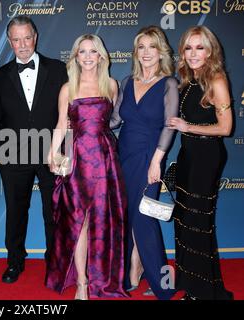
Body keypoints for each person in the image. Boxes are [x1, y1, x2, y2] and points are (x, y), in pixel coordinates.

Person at [45, 34, 128, 299]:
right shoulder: (68, 88)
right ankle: (81, 282)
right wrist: (51, 154)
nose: (89, 57)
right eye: (83, 52)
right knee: (78, 222)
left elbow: (113, 121)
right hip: (78, 158)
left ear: (101, 56)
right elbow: (61, 125)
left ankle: (100, 280)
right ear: (76, 57)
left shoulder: (112, 85)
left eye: (93, 52)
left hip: (104, 161)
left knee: (101, 220)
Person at [0, 15, 67, 283]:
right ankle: (14, 262)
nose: (22, 44)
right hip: (14, 155)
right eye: (16, 39)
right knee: (15, 211)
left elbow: (67, 114)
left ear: (35, 37)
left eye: (26, 37)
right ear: (10, 42)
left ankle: (55, 262)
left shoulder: (59, 70)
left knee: (54, 212)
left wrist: (63, 150)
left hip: (52, 154)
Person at [110, 26, 178, 300]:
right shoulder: (127, 82)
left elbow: (169, 126)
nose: (147, 52)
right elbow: (114, 120)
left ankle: (162, 283)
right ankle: (130, 272)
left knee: (145, 219)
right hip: (123, 153)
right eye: (141, 47)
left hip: (150, 155)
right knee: (126, 218)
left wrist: (157, 161)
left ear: (161, 51)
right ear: (135, 52)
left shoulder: (169, 83)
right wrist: (86, 120)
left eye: (152, 46)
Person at [167, 26, 233, 300]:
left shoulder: (215, 79)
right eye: (189, 48)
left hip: (206, 158)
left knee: (197, 224)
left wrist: (188, 126)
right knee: (184, 222)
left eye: (200, 47)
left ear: (210, 50)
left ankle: (205, 293)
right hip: (188, 156)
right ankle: (192, 288)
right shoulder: (187, 79)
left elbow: (225, 128)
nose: (193, 53)